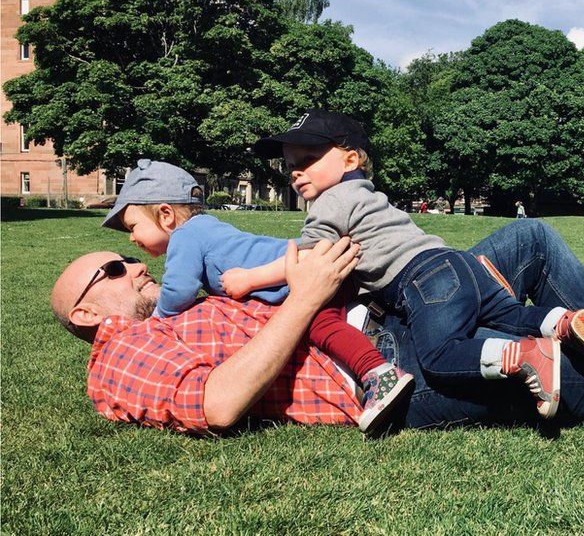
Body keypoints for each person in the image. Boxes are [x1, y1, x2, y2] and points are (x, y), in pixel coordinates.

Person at [52, 219, 584, 440]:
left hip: (383, 317)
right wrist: (308, 298)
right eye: (114, 269)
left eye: (128, 261)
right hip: (380, 378)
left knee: (529, 244)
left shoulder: (181, 301)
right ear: (86, 310)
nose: (136, 269)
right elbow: (222, 402)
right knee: (578, 375)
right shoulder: (121, 356)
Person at [224, 110, 584, 419]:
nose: (295, 172)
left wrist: (248, 278)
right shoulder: (368, 197)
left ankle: (526, 356)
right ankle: (564, 322)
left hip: (424, 281)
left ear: (350, 160)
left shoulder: (331, 202)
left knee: (440, 356)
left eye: (308, 159)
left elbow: (312, 262)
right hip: (463, 266)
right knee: (509, 313)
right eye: (288, 164)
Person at [98, 159, 412, 435]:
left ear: (166, 215)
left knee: (321, 325)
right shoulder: (205, 227)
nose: (132, 238)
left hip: (307, 269)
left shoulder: (185, 236)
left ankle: (379, 373)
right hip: (307, 267)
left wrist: (157, 320)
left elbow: (178, 291)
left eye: (133, 226)